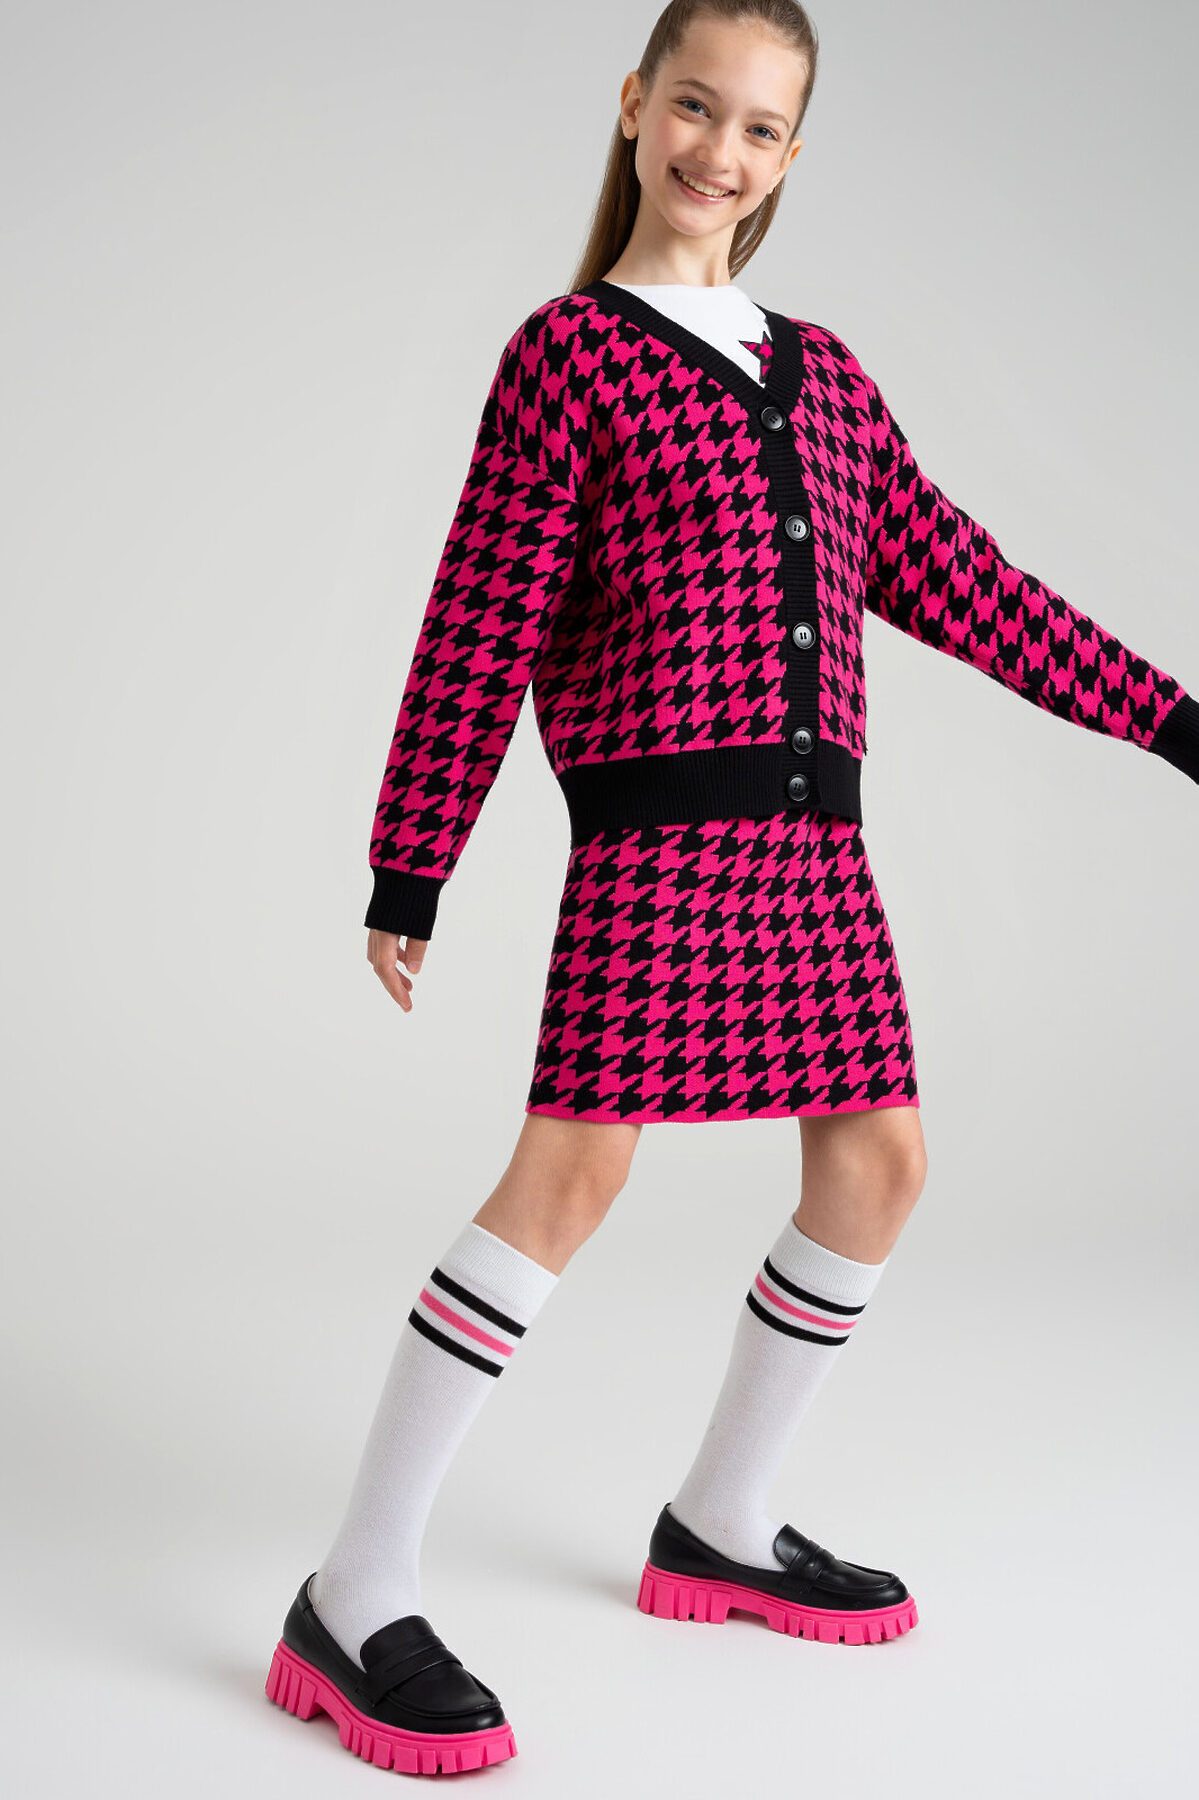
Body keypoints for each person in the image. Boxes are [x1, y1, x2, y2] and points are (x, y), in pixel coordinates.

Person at [264, 0, 1199, 1777]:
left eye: (762, 127)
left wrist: (1178, 724)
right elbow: (480, 622)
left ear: (792, 155)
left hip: (813, 857)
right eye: (695, 107)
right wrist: (413, 858)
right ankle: (352, 1586)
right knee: (572, 1178)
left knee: (879, 1163)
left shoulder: (825, 376)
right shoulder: (570, 357)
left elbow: (972, 587)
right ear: (635, 107)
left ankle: (722, 1520)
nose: (721, 150)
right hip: (659, 847)